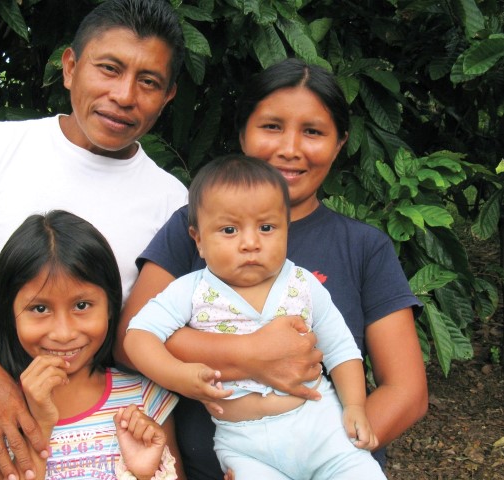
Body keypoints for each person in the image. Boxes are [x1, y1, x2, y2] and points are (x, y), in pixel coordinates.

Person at [0, 1, 188, 478]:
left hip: (109, 451)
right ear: (70, 67)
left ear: (167, 96)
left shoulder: (172, 202)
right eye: (109, 68)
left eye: (149, 81)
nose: (124, 95)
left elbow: (135, 340)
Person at [115, 58, 428, 479]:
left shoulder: (363, 247)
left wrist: (335, 453)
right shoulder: (190, 226)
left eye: (313, 131)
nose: (290, 147)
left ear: (339, 144)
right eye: (272, 126)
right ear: (243, 133)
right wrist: (250, 356)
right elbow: (130, 340)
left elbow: (406, 390)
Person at [124, 155, 386, 479]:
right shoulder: (190, 292)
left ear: (286, 230)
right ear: (199, 240)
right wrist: (176, 374)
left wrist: (356, 406)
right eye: (229, 229)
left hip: (321, 430)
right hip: (244, 447)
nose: (250, 243)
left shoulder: (303, 285)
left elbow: (341, 348)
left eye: (266, 227)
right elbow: (137, 335)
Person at [0, 210, 183, 479]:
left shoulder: (146, 398)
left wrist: (146, 472)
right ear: (8, 313)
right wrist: (38, 425)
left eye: (81, 305)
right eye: (39, 308)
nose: (63, 333)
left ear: (110, 304)